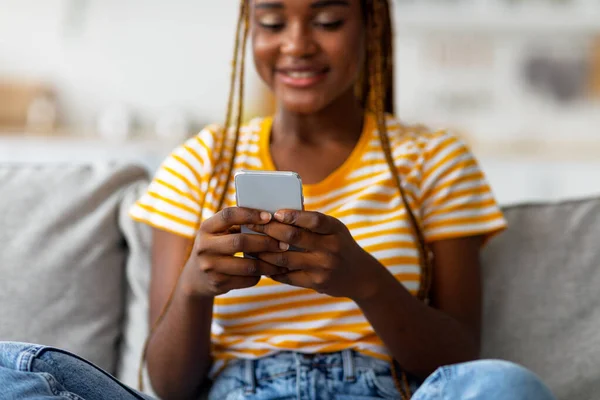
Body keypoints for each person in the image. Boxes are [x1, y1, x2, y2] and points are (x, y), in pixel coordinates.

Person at [0, 1, 556, 399]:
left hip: (381, 388)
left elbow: (460, 359)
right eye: (271, 21)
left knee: (506, 384)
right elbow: (168, 387)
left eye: (328, 20)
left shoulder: (434, 159)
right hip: (237, 390)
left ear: (371, 21)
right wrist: (194, 288)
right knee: (9, 370)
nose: (296, 44)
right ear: (249, 27)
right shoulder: (201, 161)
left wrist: (364, 280)